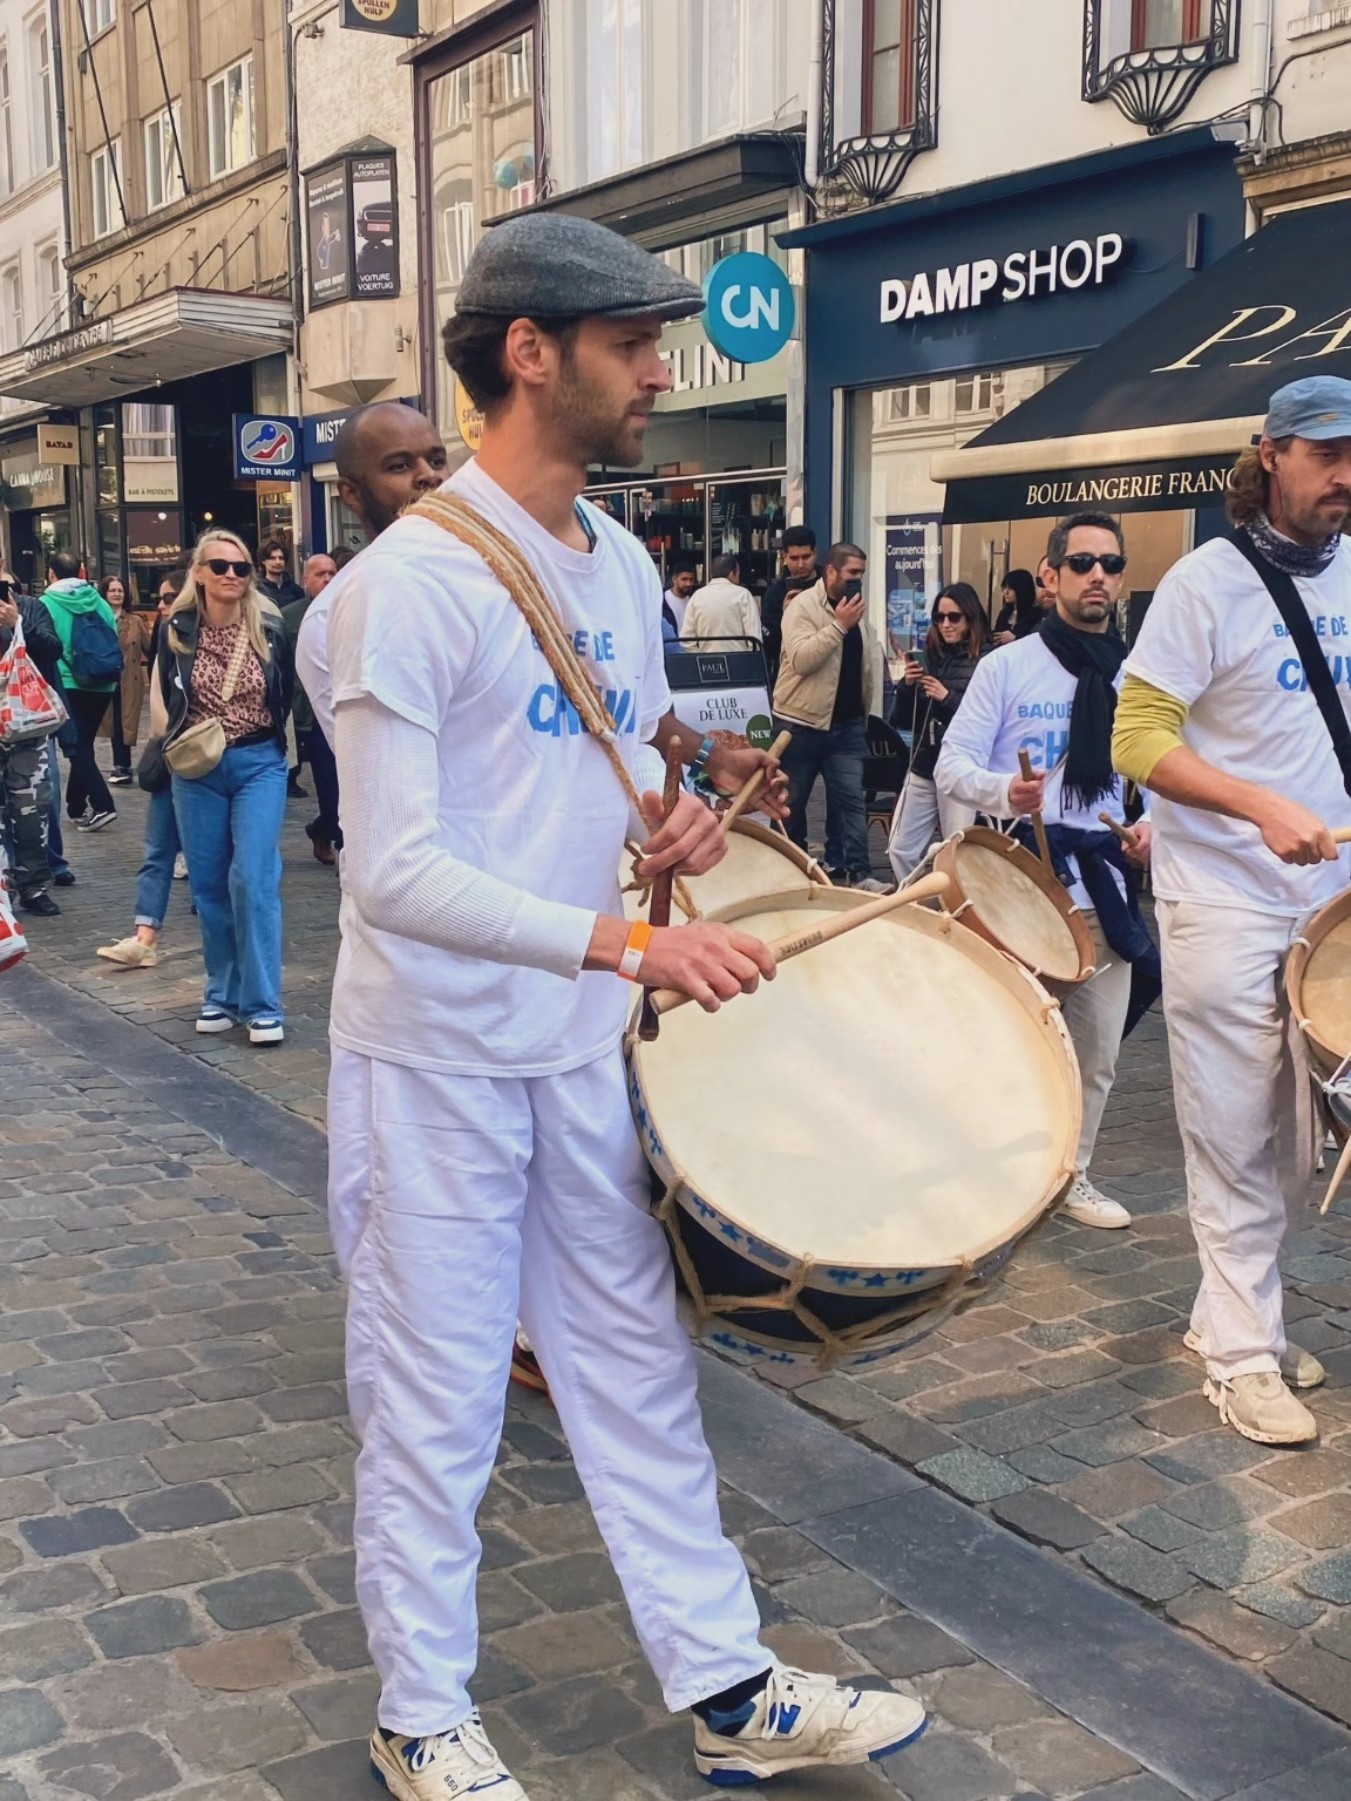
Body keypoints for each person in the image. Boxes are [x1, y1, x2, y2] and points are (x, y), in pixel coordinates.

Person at [312, 211, 922, 1801]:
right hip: (431, 1064)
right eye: (633, 344)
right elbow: (396, 875)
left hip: (569, 1054)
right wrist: (630, 949)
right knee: (434, 1399)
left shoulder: (623, 556)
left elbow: (604, 750)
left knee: (639, 1374)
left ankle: (723, 1684)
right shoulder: (407, 587)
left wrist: (671, 814)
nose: (663, 368)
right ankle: (421, 1710)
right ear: (531, 353)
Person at [1113, 376, 1351, 1446]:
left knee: (1311, 1133)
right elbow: (1136, 742)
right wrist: (1257, 806)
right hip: (1221, 894)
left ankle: (1230, 1313)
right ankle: (1244, 1357)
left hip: (1329, 900)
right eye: (1326, 453)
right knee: (1233, 1131)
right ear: (1270, 455)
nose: (1345, 474)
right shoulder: (1205, 584)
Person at [938, 512, 1152, 1233]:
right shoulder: (1006, 666)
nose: (1099, 575)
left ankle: (1071, 1174)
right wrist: (1008, 793)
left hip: (1102, 884)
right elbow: (950, 766)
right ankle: (986, 1165)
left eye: (1112, 564)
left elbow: (1156, 774)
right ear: (1051, 574)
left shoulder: (1137, 672)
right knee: (1006, 1040)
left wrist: (1153, 825)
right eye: (1084, 562)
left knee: (1094, 1055)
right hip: (1019, 886)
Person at [156, 531, 293, 1045]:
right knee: (210, 885)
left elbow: (289, 691)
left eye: (241, 568)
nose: (232, 575)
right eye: (220, 567)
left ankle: (262, 1004)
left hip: (259, 760)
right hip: (196, 767)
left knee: (252, 878)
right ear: (199, 573)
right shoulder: (177, 628)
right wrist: (167, 744)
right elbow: (160, 695)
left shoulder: (271, 625)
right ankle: (222, 993)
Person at [774, 542, 889, 894]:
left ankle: (860, 872)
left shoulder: (854, 611)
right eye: (853, 574)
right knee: (791, 804)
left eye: (862, 575)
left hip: (848, 724)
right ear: (831, 572)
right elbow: (802, 660)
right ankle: (792, 871)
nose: (858, 582)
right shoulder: (803, 608)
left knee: (853, 801)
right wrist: (838, 626)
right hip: (801, 722)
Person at [886, 582, 988, 882]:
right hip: (924, 763)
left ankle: (955, 910)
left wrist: (947, 699)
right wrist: (906, 686)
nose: (946, 624)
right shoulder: (931, 655)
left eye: (954, 617)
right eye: (939, 618)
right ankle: (917, 903)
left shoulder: (986, 660)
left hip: (960, 768)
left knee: (955, 849)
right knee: (900, 848)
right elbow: (901, 720)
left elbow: (986, 722)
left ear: (970, 618)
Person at [41, 551, 120, 832]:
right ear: (81, 572)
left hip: (69, 681)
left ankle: (103, 804)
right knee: (83, 742)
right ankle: (76, 806)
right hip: (104, 681)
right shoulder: (98, 601)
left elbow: (44, 644)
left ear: (51, 573)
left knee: (74, 746)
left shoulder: (47, 603)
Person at [0, 573, 64, 917]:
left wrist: (18, 624)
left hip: (26, 728)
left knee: (31, 812)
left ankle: (35, 888)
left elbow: (53, 651)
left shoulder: (30, 607)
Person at [283, 554, 340, 865]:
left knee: (351, 791)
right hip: (310, 714)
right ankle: (324, 828)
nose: (328, 579)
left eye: (333, 573)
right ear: (305, 580)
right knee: (330, 789)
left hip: (345, 709)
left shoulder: (350, 609)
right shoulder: (290, 617)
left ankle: (344, 849)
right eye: (320, 574)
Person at [101, 576, 147, 786]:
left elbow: (150, 648)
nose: (117, 594)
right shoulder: (98, 618)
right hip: (104, 679)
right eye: (112, 590)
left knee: (124, 722)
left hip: (129, 679)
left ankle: (123, 765)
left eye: (120, 590)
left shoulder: (135, 621)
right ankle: (117, 764)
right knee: (110, 722)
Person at [761, 526, 819, 689]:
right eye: (794, 558)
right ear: (784, 556)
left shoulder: (828, 585)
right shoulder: (775, 593)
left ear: (815, 552)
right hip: (790, 679)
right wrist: (785, 617)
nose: (801, 564)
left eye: (806, 557)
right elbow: (769, 646)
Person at [682, 554, 762, 652]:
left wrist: (699, 658)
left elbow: (686, 640)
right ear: (733, 574)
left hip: (706, 663)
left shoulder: (696, 597)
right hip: (738, 663)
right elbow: (754, 639)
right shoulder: (743, 595)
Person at [993, 568, 1039, 646]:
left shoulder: (1035, 614)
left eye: (1010, 588)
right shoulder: (1004, 613)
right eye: (1005, 588)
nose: (1006, 592)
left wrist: (1015, 637)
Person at [256, 538, 304, 610]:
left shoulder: (295, 590)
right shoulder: (256, 590)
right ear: (263, 561)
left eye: (281, 558)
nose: (278, 562)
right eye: (272, 558)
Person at [662, 561, 698, 638]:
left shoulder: (695, 600)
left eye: (691, 580)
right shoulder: (661, 600)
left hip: (690, 647)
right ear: (674, 579)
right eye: (684, 579)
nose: (688, 583)